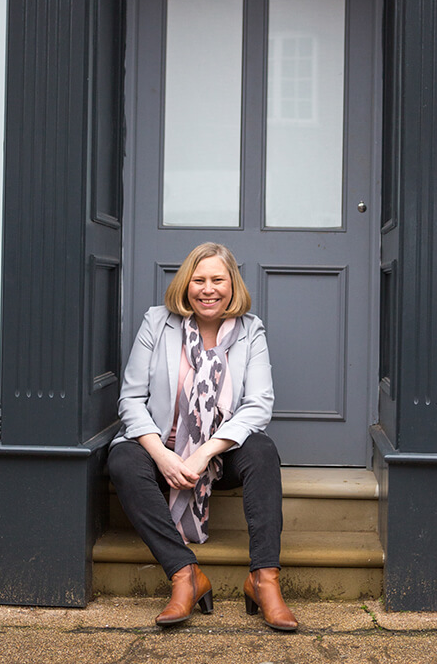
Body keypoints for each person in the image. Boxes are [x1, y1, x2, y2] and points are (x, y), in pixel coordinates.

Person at [108, 242, 298, 631]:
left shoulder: (250, 330)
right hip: (165, 451)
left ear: (233, 286)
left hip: (217, 457)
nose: (208, 289)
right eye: (199, 280)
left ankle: (264, 579)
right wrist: (162, 455)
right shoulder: (157, 323)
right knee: (123, 460)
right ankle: (184, 574)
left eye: (217, 280)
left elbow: (259, 405)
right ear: (185, 284)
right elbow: (131, 399)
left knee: (263, 451)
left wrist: (203, 453)